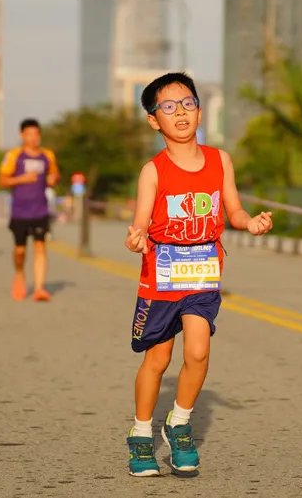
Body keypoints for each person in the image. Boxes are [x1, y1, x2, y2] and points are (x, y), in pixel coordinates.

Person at [122, 72, 273, 477]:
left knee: (198, 352)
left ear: (200, 111)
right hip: (162, 276)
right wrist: (137, 237)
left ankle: (179, 423)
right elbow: (140, 222)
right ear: (154, 120)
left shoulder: (220, 160)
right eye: (169, 107)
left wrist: (249, 222)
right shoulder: (153, 171)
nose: (181, 113)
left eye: (188, 103)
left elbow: (233, 209)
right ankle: (141, 434)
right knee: (158, 358)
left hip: (203, 273)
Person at [0, 118, 59, 302]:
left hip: (40, 210)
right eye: (29, 134)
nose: (33, 137)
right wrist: (21, 179)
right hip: (20, 212)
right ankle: (19, 274)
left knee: (40, 247)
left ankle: (39, 288)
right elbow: (2, 180)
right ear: (22, 135)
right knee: (20, 251)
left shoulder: (47, 155)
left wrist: (53, 179)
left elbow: (54, 174)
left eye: (36, 134)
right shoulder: (14, 155)